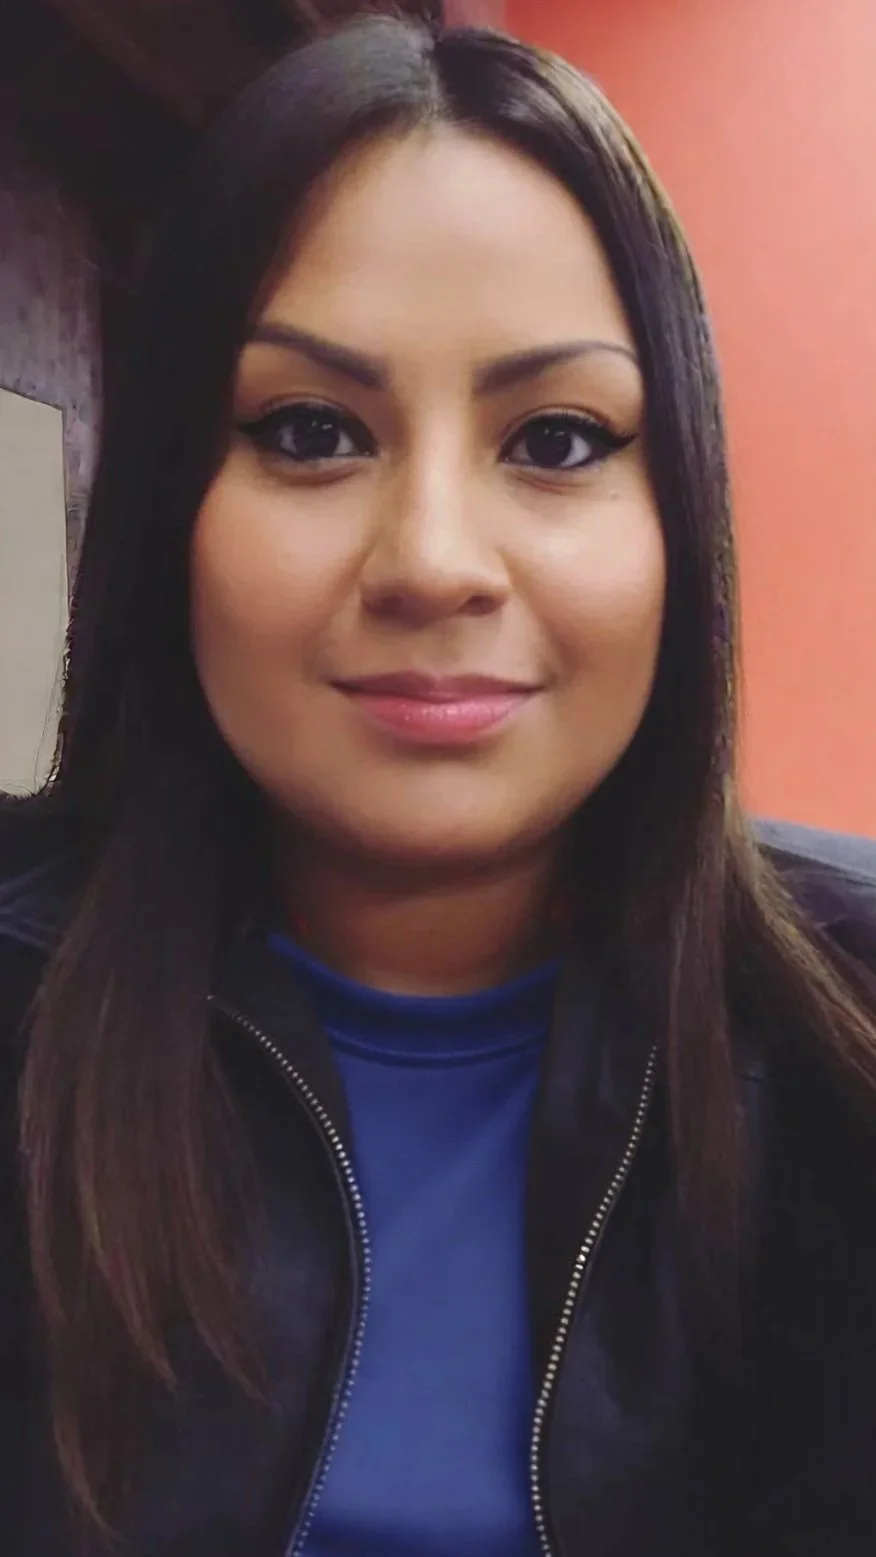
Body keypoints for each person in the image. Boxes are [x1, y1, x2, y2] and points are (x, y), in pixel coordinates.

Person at [2, 9, 875, 1556]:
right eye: (313, 431)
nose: (432, 563)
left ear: (680, 522)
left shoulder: (846, 1042)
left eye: (554, 439)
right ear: (169, 509)